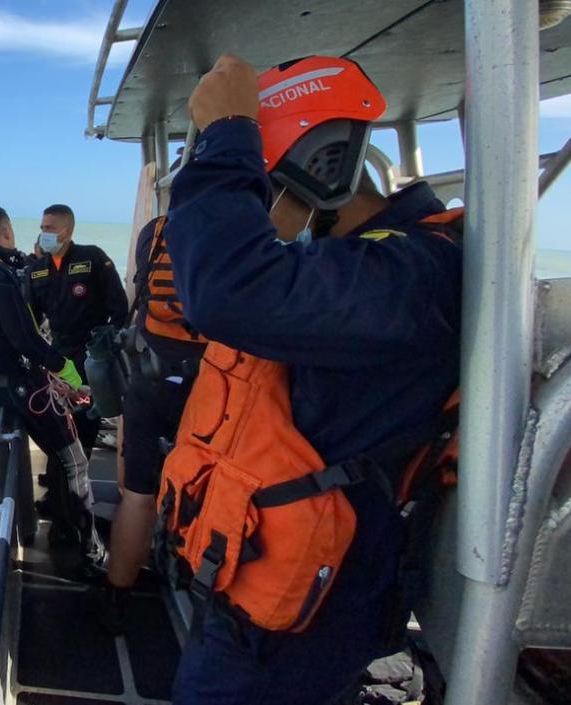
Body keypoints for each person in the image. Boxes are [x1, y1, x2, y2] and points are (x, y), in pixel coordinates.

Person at [157, 55, 461, 705]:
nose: (253, 211)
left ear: (320, 167)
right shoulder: (362, 268)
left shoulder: (408, 277)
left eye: (256, 183)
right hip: (262, 595)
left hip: (297, 624)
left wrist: (228, 135)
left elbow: (226, 290)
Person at [0, 203, 107, 571]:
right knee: (76, 462)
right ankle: (93, 551)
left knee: (64, 456)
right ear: (4, 232)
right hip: (26, 389)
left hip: (1, 384)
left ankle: (68, 527)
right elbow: (26, 341)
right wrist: (65, 371)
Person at [94, 213, 207, 631]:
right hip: (210, 389)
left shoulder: (156, 230)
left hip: (150, 378)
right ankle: (193, 584)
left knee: (138, 495)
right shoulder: (248, 226)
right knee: (204, 491)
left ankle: (116, 599)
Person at [26, 204, 128, 458]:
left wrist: (107, 348)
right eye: (42, 228)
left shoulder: (92, 258)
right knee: (59, 414)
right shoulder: (36, 270)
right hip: (58, 352)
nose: (43, 233)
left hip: (90, 351)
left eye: (49, 228)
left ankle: (80, 470)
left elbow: (119, 306)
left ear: (67, 229)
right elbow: (29, 318)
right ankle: (61, 473)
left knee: (84, 413)